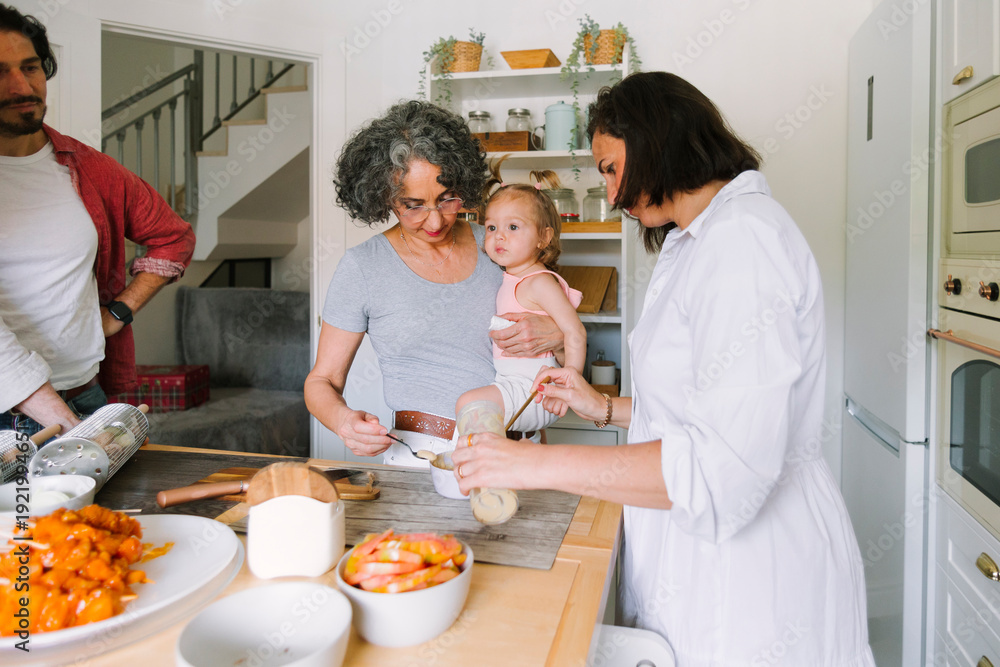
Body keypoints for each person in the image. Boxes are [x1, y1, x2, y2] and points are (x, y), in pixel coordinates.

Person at [452, 72, 875, 666]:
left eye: (610, 169)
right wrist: (602, 406)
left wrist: (528, 463)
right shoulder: (695, 240)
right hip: (697, 566)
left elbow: (721, 467)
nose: (611, 193)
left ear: (656, 139)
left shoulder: (743, 242)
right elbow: (696, 408)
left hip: (751, 585)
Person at [306, 100, 563, 466]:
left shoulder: (499, 247)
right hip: (425, 459)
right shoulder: (363, 267)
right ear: (384, 196)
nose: (435, 221)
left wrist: (558, 335)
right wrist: (343, 421)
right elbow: (322, 381)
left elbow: (554, 352)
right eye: (413, 205)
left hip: (523, 450)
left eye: (446, 200)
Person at [0, 5, 196, 437]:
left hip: (85, 393)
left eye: (30, 67)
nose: (22, 87)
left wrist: (120, 311)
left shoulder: (90, 169)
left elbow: (173, 237)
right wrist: (65, 423)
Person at [455, 171, 586, 434]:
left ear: (543, 237)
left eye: (513, 227)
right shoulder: (511, 277)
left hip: (534, 390)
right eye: (492, 227)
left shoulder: (539, 283)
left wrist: (569, 387)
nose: (499, 236)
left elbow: (576, 332)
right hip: (511, 382)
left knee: (468, 404)